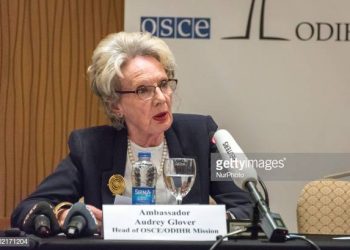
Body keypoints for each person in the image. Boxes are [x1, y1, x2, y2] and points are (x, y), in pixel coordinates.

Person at [11, 32, 252, 232]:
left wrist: (207, 222)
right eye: (143, 90)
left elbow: (249, 208)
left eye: (164, 84)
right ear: (115, 104)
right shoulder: (91, 147)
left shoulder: (199, 135)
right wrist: (63, 215)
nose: (161, 99)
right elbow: (28, 209)